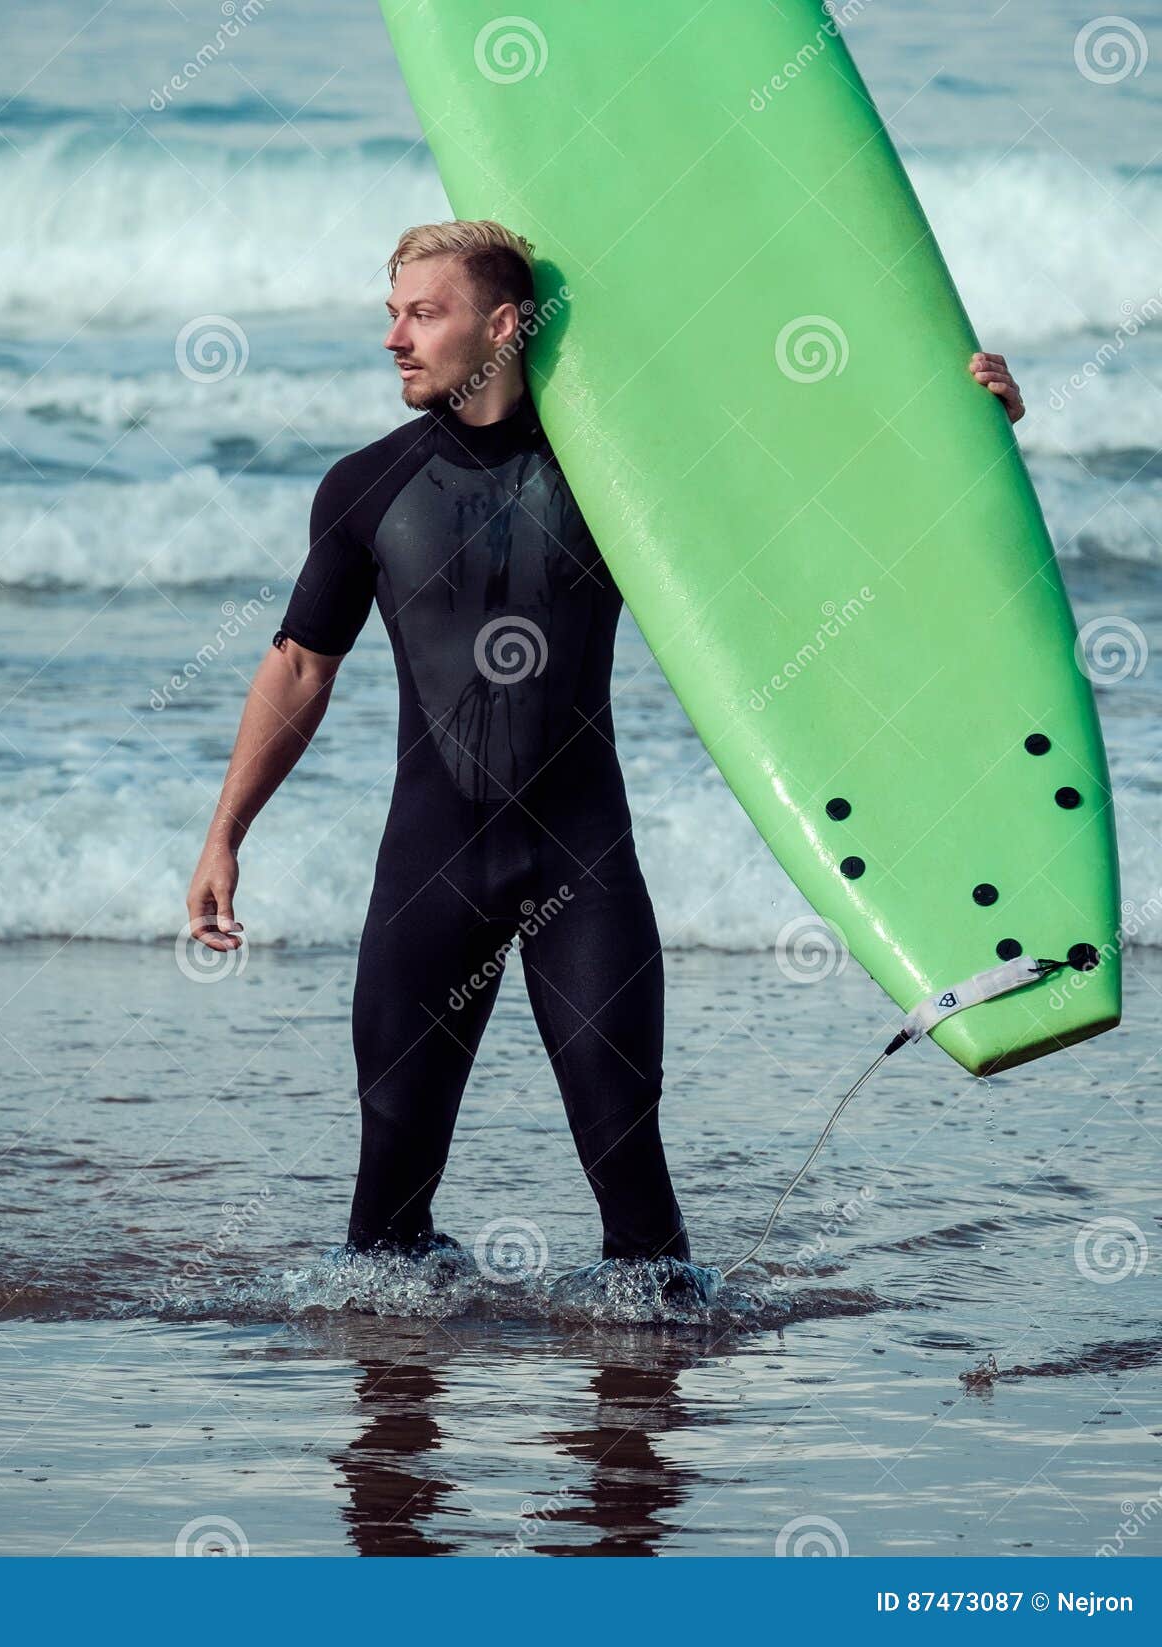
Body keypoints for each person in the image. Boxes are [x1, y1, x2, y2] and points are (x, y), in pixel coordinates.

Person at [187, 219, 1024, 1298]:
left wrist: (973, 423)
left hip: (578, 868)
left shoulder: (622, 480)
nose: (393, 338)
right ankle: (394, 1435)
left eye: (421, 313)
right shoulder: (363, 488)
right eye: (389, 313)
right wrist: (224, 836)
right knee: (382, 1220)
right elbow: (300, 665)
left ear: (500, 326)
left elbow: (826, 511)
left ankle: (641, 1448)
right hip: (428, 875)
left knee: (638, 1210)